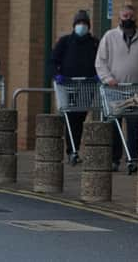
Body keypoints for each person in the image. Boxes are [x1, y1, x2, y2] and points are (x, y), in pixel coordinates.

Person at [95, 5, 138, 171]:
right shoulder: (109, 36)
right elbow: (100, 61)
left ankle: (134, 158)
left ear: (135, 17)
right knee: (114, 123)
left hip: (135, 90)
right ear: (119, 17)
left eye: (131, 15)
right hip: (114, 90)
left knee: (134, 124)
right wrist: (108, 79)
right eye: (125, 16)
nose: (128, 19)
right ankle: (114, 159)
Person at [51, 10, 99, 163]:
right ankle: (72, 150)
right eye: (79, 23)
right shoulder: (65, 42)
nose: (82, 26)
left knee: (80, 117)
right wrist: (56, 75)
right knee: (70, 116)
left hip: (87, 85)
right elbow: (52, 61)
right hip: (68, 84)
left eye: (84, 23)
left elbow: (100, 62)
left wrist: (98, 75)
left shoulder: (94, 43)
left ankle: (75, 147)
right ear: (74, 25)